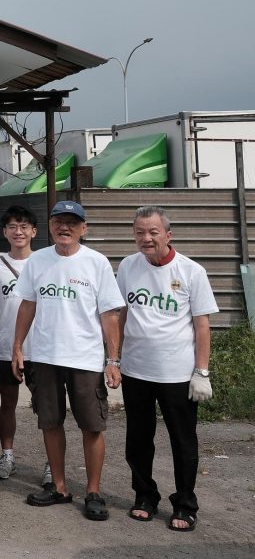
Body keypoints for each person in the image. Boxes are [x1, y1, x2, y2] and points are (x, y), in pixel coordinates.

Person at [13, 200, 124, 521]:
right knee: (50, 422)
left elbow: (110, 315)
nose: (65, 227)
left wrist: (113, 359)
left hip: (86, 359)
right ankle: (59, 487)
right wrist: (18, 347)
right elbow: (27, 306)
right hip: (44, 357)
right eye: (59, 221)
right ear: (49, 225)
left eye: (72, 222)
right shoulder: (38, 262)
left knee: (92, 425)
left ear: (83, 228)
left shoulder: (97, 263)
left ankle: (93, 491)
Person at [117, 206, 217, 531]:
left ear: (167, 235)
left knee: (183, 442)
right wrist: (113, 359)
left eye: (153, 232)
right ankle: (145, 495)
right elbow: (119, 316)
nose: (146, 238)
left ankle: (185, 504)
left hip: (177, 374)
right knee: (138, 440)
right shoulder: (128, 267)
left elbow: (202, 326)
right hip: (136, 371)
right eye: (140, 233)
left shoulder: (191, 272)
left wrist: (201, 372)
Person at [0, 205, 37, 481]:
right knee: (7, 403)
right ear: (5, 232)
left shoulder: (44, 262)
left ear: (34, 231)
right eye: (13, 227)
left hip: (38, 348)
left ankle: (50, 464)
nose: (19, 232)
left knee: (45, 406)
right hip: (6, 344)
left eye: (24, 226)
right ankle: (7, 455)